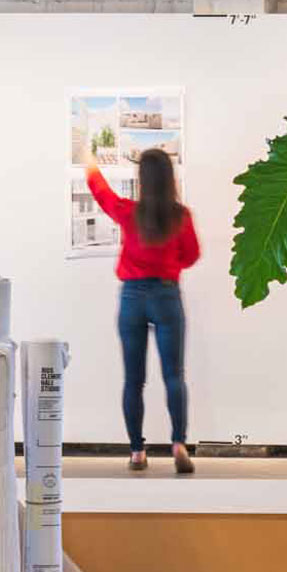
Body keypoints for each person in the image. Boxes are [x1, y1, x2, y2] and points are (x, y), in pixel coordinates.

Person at [84, 148, 201, 473]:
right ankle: (178, 443)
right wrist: (169, 262)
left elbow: (102, 193)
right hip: (166, 295)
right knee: (174, 375)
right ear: (170, 178)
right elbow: (192, 255)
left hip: (132, 298)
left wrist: (91, 165)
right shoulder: (181, 216)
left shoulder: (128, 212)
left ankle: (137, 451)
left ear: (142, 180)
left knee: (133, 380)